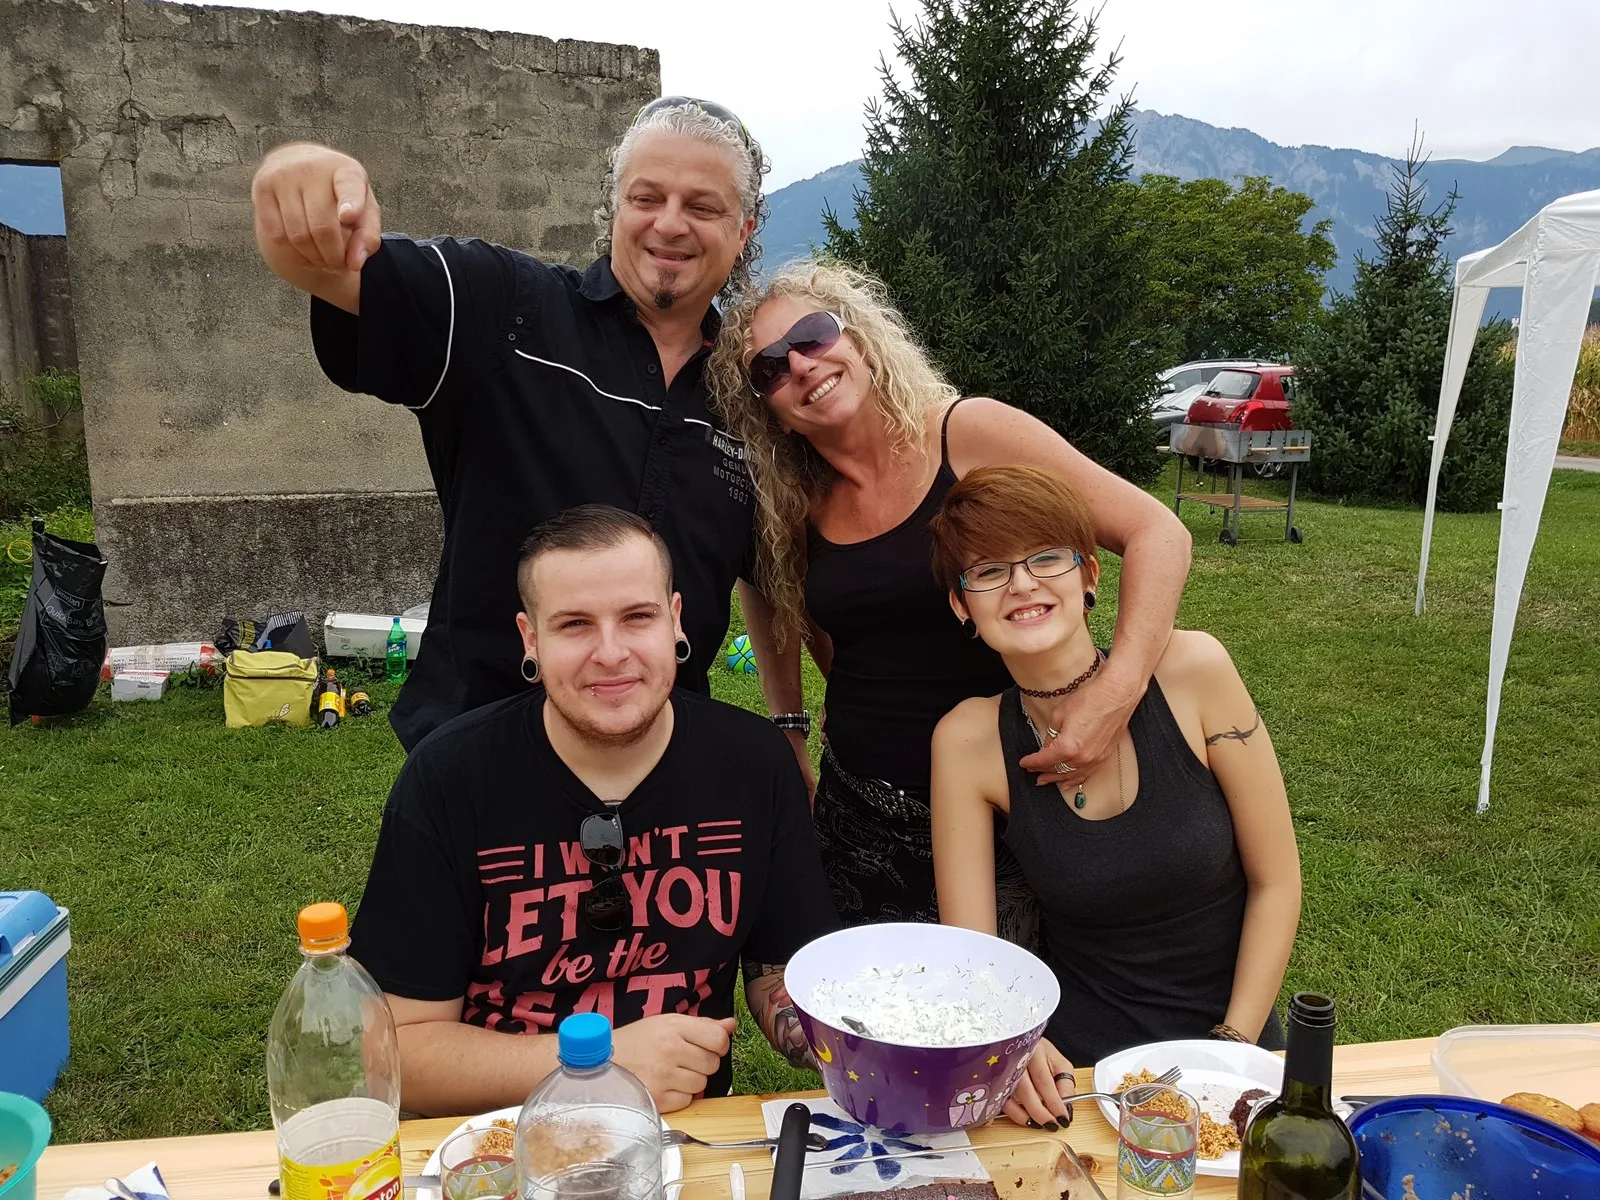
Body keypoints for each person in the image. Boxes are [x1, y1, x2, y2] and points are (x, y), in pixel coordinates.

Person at [250, 99, 812, 780]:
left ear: (743, 229)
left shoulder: (751, 400)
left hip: (664, 776)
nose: (669, 223)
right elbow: (331, 268)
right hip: (483, 771)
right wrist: (299, 170)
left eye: (702, 206)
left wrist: (789, 726)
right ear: (614, 206)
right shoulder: (506, 310)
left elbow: (768, 573)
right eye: (647, 197)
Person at [706, 261, 1192, 926]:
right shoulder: (794, 502)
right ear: (772, 414)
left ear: (859, 339)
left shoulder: (968, 435)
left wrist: (1118, 690)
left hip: (1019, 798)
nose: (800, 365)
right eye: (769, 368)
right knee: (876, 991)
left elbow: (1157, 532)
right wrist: (790, 727)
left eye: (812, 334)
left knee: (1020, 987)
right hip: (864, 817)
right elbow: (773, 596)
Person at [348, 504, 838, 1115]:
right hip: (496, 1137)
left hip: (683, 1136)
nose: (610, 653)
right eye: (575, 624)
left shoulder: (753, 763)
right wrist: (600, 1064)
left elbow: (779, 970)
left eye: (637, 617)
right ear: (531, 638)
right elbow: (391, 1053)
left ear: (675, 621)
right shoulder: (450, 777)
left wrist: (845, 1034)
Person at [927, 464, 1302, 1128]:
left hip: (1235, 1055)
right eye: (988, 571)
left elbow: (1277, 882)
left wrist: (1231, 1051)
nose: (1022, 584)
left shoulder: (1194, 673)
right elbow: (974, 955)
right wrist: (1016, 1043)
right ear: (962, 606)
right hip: (1079, 1078)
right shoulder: (968, 741)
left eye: (1046, 558)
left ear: (1090, 576)